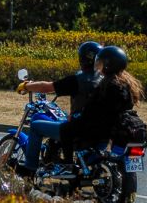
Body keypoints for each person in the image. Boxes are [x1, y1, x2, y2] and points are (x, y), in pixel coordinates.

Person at [16, 41, 103, 175]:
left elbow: (48, 87)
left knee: (36, 126)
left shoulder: (79, 79)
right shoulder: (106, 80)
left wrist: (27, 86)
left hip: (80, 129)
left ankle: (29, 169)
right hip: (99, 129)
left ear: (82, 58)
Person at [57, 45, 144, 169]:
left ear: (109, 65)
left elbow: (93, 108)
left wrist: (79, 117)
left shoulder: (108, 85)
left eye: (101, 62)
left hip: (101, 128)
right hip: (125, 126)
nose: (98, 65)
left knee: (65, 129)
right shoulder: (127, 84)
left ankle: (68, 165)